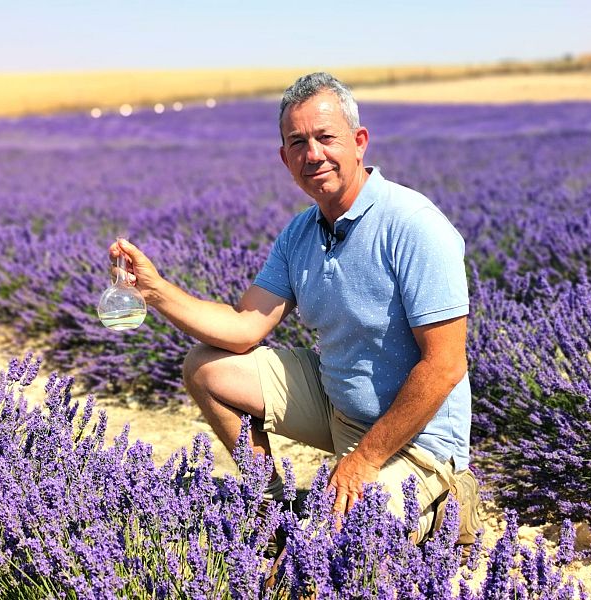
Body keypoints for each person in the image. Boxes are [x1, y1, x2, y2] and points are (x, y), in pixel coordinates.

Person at [109, 72, 481, 549]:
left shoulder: (414, 226)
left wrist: (363, 461)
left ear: (359, 142)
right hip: (339, 406)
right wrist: (154, 290)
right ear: (285, 158)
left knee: (328, 559)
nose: (313, 154)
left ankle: (449, 495)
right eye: (298, 142)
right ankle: (271, 507)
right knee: (206, 366)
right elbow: (244, 329)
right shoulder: (301, 232)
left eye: (326, 137)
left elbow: (445, 366)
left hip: (416, 440)